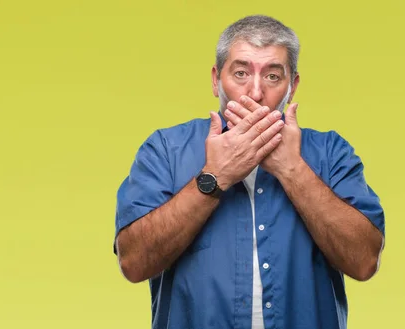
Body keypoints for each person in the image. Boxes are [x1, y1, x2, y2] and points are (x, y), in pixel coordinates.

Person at [113, 14, 385, 329]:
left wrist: (292, 170)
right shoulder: (166, 149)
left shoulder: (330, 152)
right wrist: (215, 177)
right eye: (241, 73)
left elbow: (365, 261)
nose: (255, 93)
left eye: (272, 76)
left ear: (292, 87)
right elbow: (133, 263)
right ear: (216, 80)